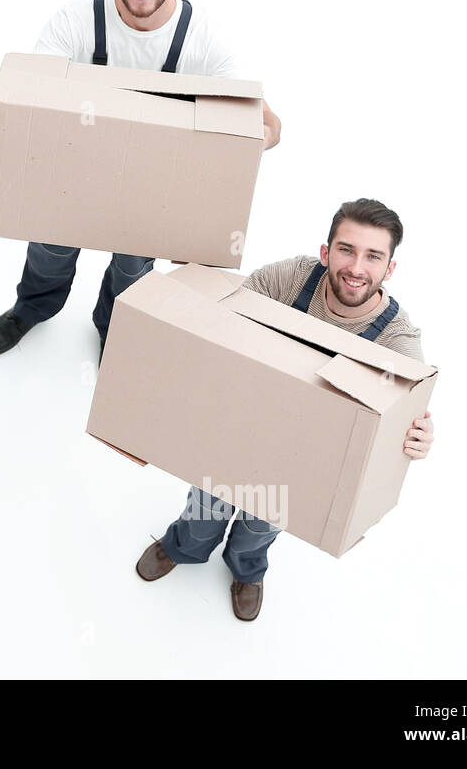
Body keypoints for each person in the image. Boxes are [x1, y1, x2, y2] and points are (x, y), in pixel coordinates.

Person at [0, 0, 282, 359]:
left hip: (152, 186)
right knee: (49, 249)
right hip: (74, 168)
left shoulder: (204, 40)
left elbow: (267, 128)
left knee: (133, 270)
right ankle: (30, 309)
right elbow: (21, 95)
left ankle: (114, 328)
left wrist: (204, 227)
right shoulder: (77, 20)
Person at [134, 199, 436, 621]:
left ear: (390, 269)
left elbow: (408, 413)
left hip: (302, 457)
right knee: (207, 503)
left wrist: (417, 439)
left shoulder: (397, 339)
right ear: (326, 252)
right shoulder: (292, 278)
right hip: (241, 422)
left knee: (262, 524)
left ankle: (247, 571)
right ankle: (184, 546)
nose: (357, 267)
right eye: (347, 250)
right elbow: (223, 319)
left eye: (373, 256)